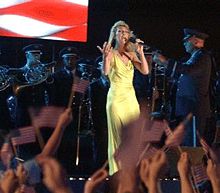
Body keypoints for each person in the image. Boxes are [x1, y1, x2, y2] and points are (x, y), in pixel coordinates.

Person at [97, 20, 149, 176]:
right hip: (116, 99)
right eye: (119, 31)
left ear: (129, 35)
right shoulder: (110, 53)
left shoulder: (131, 53)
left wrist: (140, 52)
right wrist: (106, 57)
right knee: (119, 136)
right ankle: (118, 173)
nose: (123, 34)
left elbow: (145, 71)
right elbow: (105, 72)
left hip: (130, 99)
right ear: (114, 34)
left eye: (125, 32)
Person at [153, 28, 213, 146]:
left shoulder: (202, 56)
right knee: (187, 145)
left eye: (186, 40)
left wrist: (165, 61)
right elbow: (182, 76)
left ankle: (196, 165)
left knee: (193, 145)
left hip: (194, 110)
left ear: (195, 41)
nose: (184, 43)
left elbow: (187, 70)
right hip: (188, 109)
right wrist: (164, 66)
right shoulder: (194, 57)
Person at [15, 44, 54, 128]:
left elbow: (50, 88)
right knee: (24, 139)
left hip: (40, 111)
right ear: (27, 55)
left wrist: (48, 75)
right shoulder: (18, 72)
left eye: (38, 55)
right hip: (24, 112)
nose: (37, 57)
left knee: (40, 138)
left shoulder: (43, 71)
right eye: (34, 55)